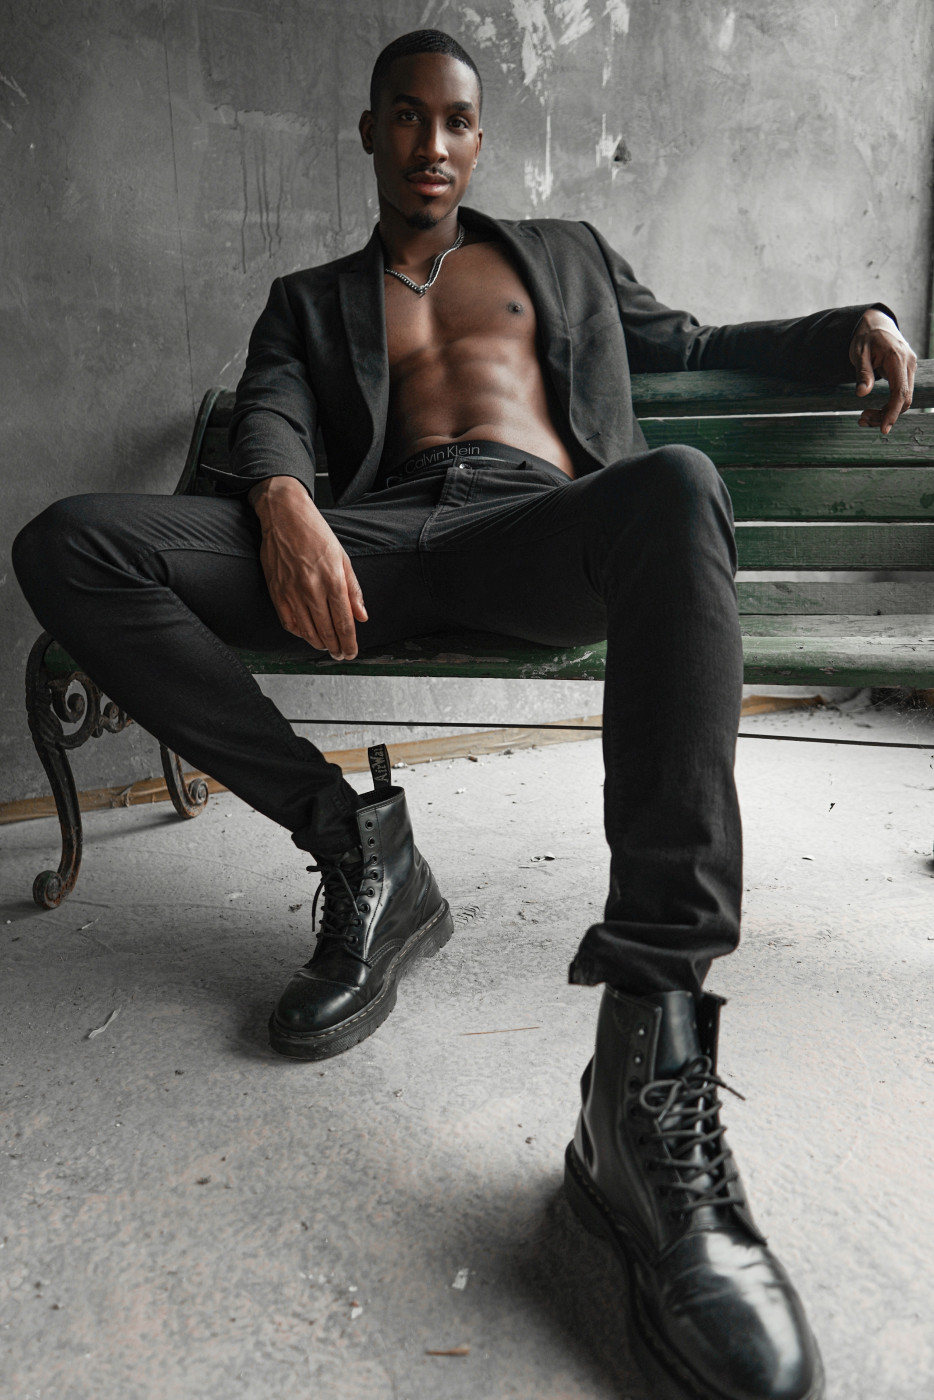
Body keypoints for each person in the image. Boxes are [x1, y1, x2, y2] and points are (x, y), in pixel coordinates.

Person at [12, 28, 917, 1400]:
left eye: (454, 121)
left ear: (478, 140)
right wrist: (283, 499)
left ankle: (649, 1040)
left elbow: (700, 345)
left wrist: (850, 324)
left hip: (533, 533)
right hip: (370, 545)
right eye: (405, 118)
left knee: (678, 482)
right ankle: (354, 840)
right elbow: (268, 414)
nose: (430, 144)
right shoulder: (309, 298)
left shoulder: (564, 257)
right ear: (369, 133)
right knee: (71, 543)